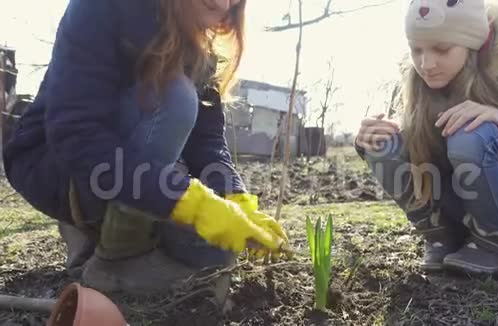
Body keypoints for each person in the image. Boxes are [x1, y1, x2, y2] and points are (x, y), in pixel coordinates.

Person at [2, 0, 290, 295]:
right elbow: (76, 135)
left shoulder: (202, 47)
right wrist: (192, 204)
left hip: (133, 168)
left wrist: (236, 199)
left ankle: (98, 228)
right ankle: (117, 256)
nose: (223, 2)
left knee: (215, 253)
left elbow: (208, 142)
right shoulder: (103, 8)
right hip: (54, 162)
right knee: (176, 98)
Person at [355, 0, 498, 274]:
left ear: (471, 43)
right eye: (417, 50)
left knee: (470, 131)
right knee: (382, 141)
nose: (426, 64)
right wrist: (369, 139)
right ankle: (441, 235)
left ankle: (497, 239)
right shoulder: (414, 81)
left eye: (442, 49)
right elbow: (405, 150)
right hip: (456, 197)